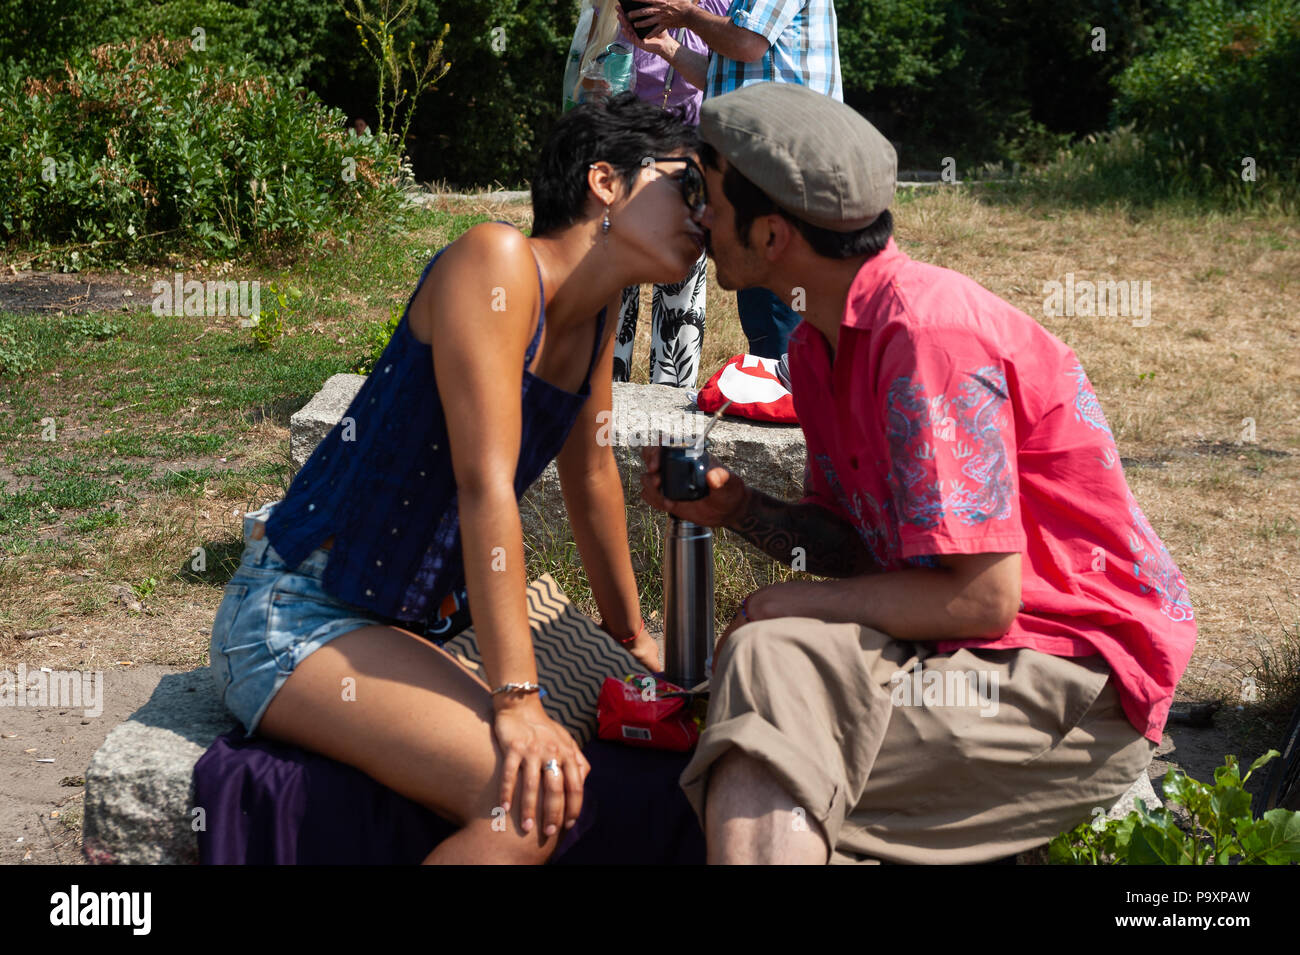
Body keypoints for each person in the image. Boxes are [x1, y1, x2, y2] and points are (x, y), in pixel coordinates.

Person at [639, 83, 1197, 864]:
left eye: (704, 191)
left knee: (767, 700)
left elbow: (982, 595)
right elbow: (861, 547)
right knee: (768, 674)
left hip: (1069, 675)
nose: (696, 214)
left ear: (771, 236)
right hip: (975, 648)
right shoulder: (817, 347)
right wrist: (739, 508)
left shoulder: (929, 336)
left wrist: (787, 600)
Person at [209, 93, 708, 864]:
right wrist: (517, 698)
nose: (704, 217)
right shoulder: (495, 260)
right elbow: (486, 486)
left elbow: (592, 475)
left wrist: (634, 636)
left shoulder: (599, 314)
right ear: (606, 182)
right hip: (299, 612)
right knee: (526, 798)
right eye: (688, 186)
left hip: (406, 623)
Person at [620, 0, 842, 359]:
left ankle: (789, 401)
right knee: (765, 304)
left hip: (783, 161)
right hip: (761, 164)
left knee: (780, 308)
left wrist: (685, 14)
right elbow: (723, 73)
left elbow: (747, 42)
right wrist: (666, 45)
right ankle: (783, 394)